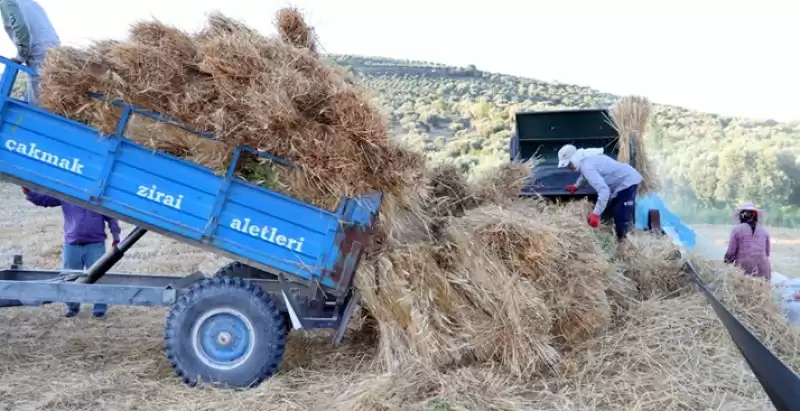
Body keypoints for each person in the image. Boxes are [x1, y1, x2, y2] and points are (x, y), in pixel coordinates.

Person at [22, 187, 121, 318]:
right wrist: (28, 192)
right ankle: (72, 307)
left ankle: (99, 309)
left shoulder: (98, 197)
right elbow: (44, 200)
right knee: (69, 276)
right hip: (72, 244)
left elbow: (111, 217)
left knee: (98, 276)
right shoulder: (66, 194)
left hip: (96, 244)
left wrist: (116, 236)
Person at [557, 144, 643, 241]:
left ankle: (625, 245)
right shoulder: (585, 160)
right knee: (617, 211)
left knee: (621, 217)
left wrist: (596, 214)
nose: (569, 167)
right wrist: (576, 186)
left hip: (627, 182)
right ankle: (621, 239)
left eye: (569, 164)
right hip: (623, 182)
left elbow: (604, 191)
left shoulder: (587, 166)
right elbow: (585, 175)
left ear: (574, 158)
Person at [0, 0, 60, 104]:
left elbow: (21, 27)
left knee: (38, 105)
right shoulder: (29, 2)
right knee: (35, 100)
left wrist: (20, 56)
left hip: (39, 54)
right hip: (53, 51)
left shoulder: (7, 1)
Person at [723, 202, 771, 281]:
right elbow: (767, 253)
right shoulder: (764, 231)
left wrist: (726, 263)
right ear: (755, 216)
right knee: (761, 292)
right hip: (763, 268)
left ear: (741, 216)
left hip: (744, 268)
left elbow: (731, 253)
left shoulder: (736, 230)